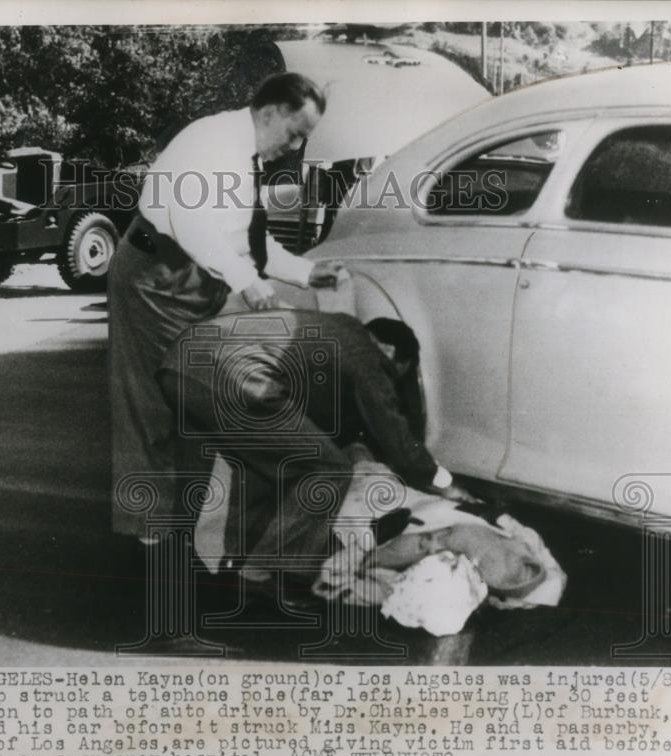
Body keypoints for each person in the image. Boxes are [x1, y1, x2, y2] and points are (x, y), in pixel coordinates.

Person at [110, 74, 343, 538]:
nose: (295, 147)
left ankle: (176, 530)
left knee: (195, 405)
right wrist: (246, 282)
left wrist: (304, 272)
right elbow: (191, 222)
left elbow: (247, 239)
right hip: (155, 277)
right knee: (155, 407)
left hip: (193, 282)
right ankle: (148, 536)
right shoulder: (213, 141)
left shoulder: (247, 154)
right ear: (270, 112)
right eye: (295, 133)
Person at [156, 309, 469, 585]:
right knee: (328, 469)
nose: (388, 381)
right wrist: (443, 482)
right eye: (393, 374)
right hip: (236, 377)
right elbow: (395, 434)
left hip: (180, 361)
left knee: (240, 464)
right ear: (388, 351)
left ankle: (193, 556)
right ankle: (263, 572)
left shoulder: (332, 330)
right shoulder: (367, 354)